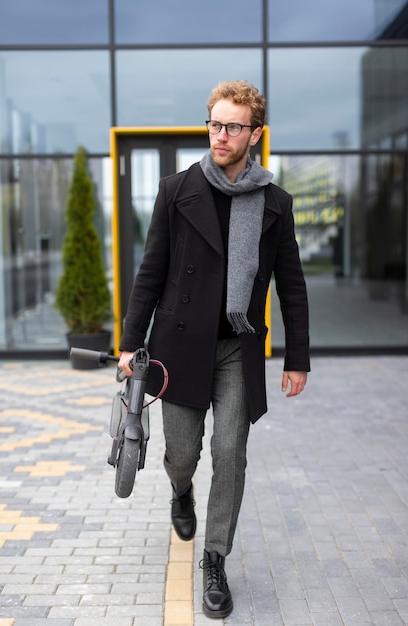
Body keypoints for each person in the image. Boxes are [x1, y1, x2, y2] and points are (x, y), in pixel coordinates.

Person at [118, 79, 310, 619]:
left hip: (238, 346)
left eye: (233, 126)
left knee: (230, 452)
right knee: (182, 454)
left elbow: (290, 285)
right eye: (214, 123)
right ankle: (181, 493)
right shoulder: (177, 190)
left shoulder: (275, 202)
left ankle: (216, 558)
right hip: (178, 346)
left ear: (255, 134)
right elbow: (150, 270)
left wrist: (297, 357)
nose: (220, 135)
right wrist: (131, 342)